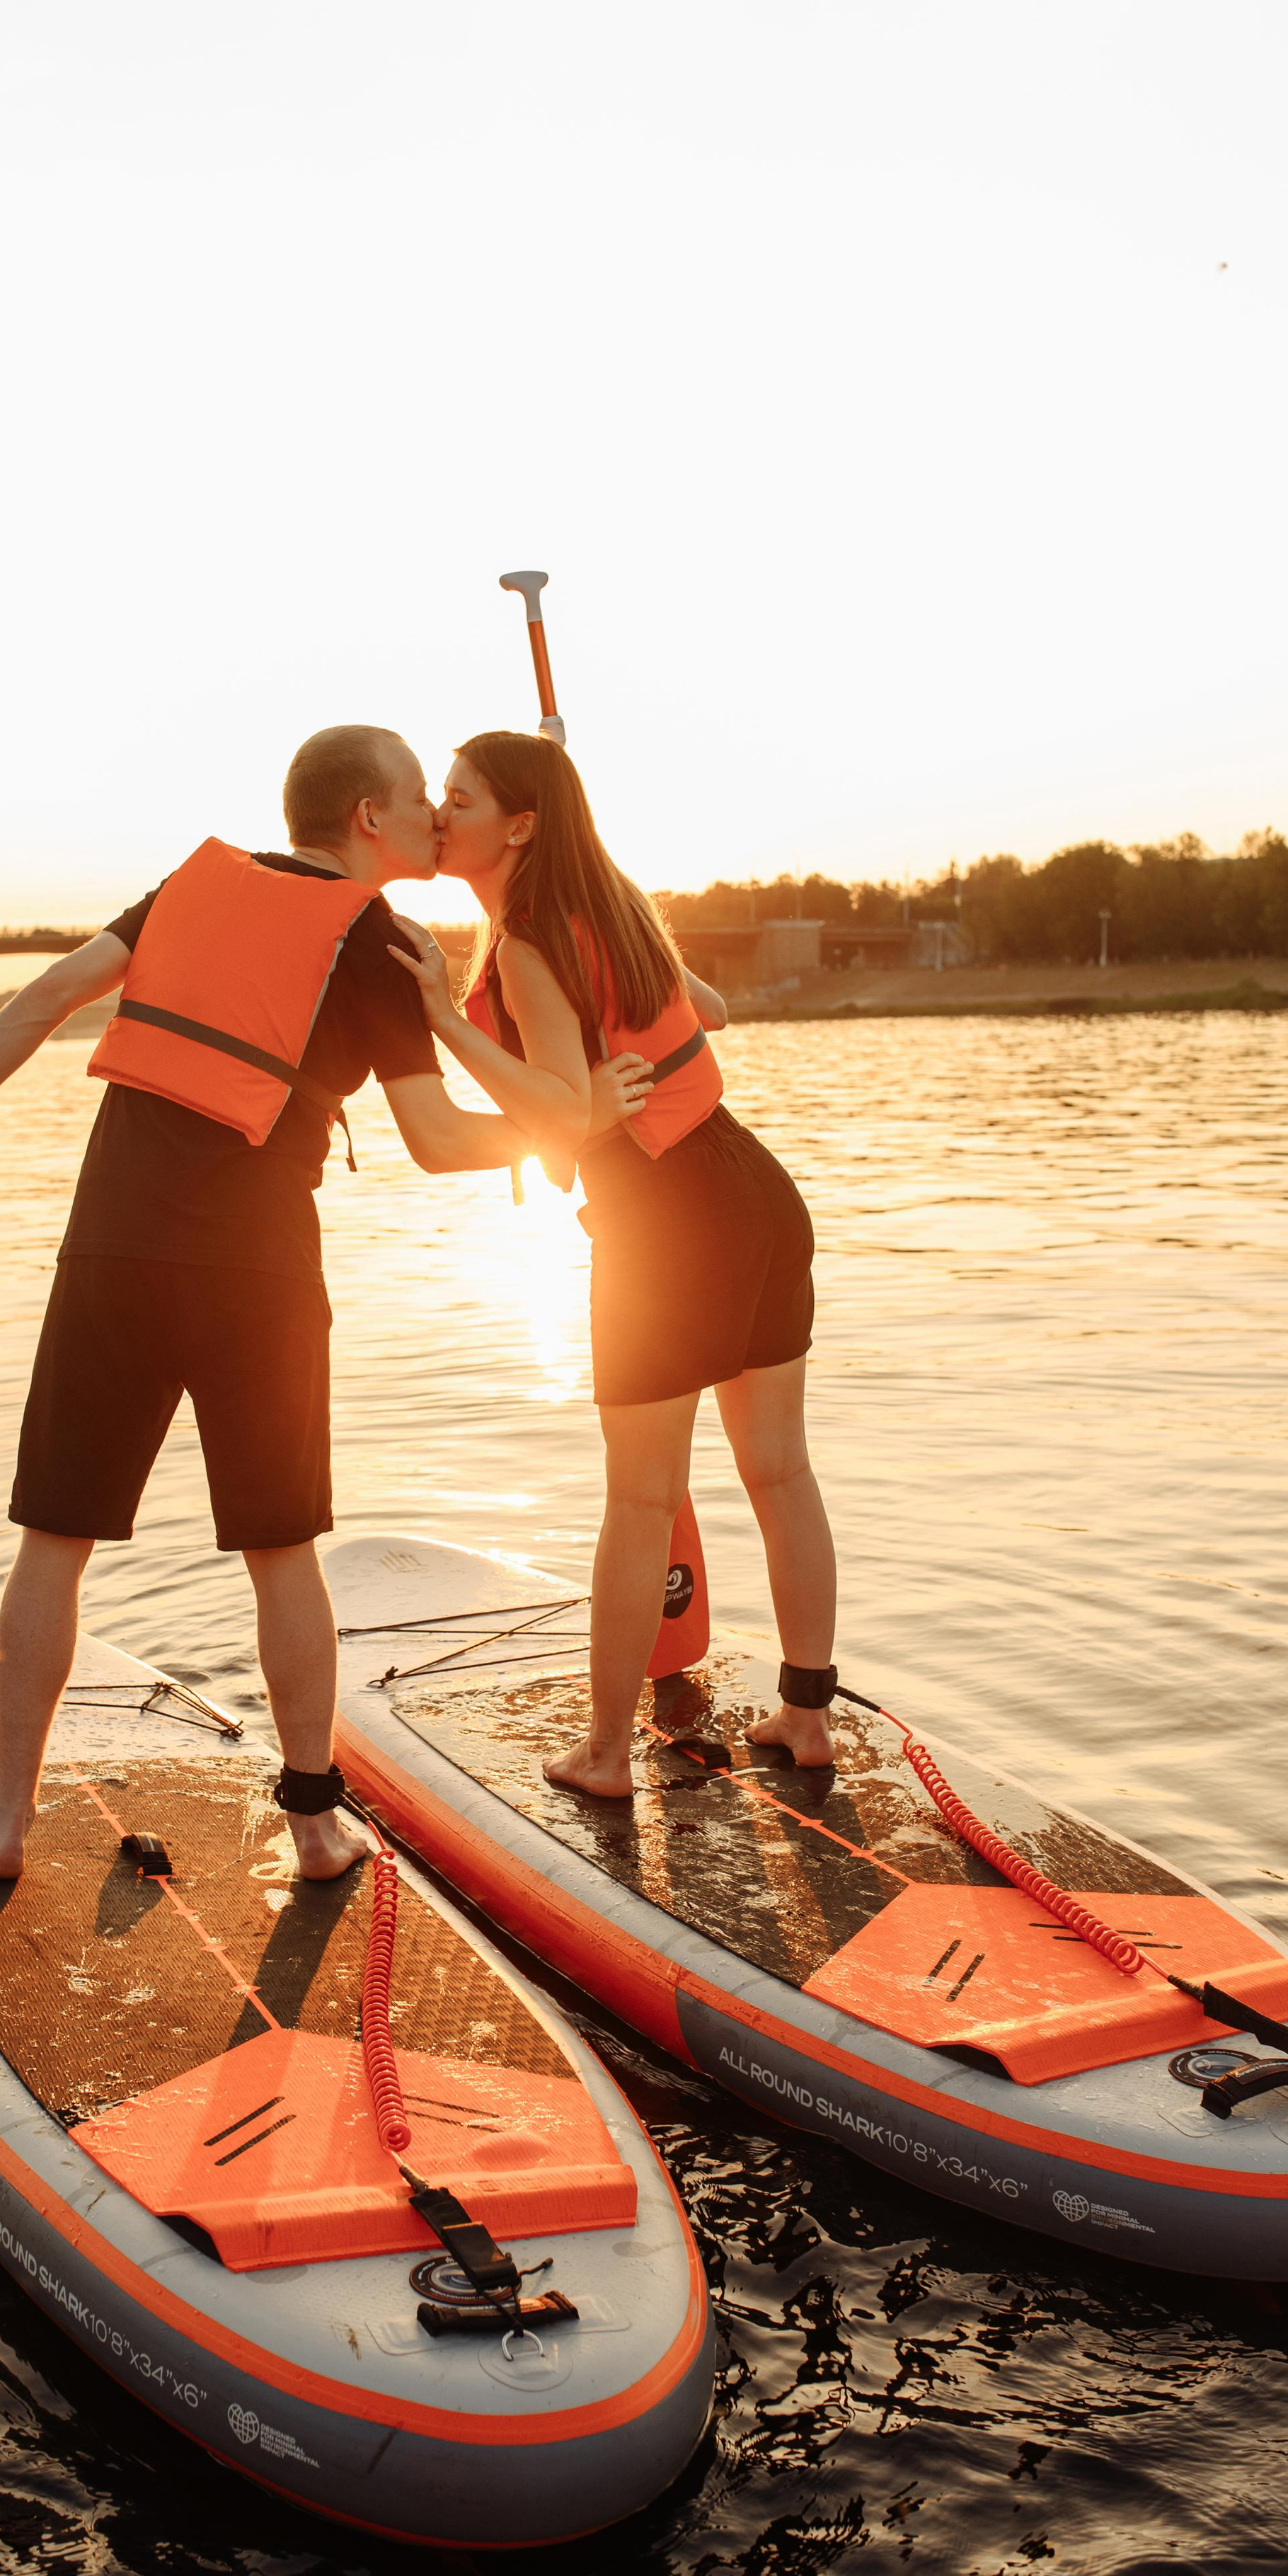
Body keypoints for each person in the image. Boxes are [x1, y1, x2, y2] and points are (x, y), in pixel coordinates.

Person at [0, 726, 539, 1883]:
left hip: (117, 1248)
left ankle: (5, 1826)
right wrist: (562, 1129)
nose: (434, 819)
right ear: (368, 818)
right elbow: (439, 1142)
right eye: (416, 799)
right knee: (283, 1554)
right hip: (259, 1274)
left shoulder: (188, 889)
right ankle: (315, 1829)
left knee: (54, 1543)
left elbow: (49, 996)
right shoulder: (384, 943)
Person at [389, 730, 839, 1793]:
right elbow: (708, 1012)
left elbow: (558, 1110)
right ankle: (806, 1714)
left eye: (460, 797)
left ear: (521, 826)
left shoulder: (528, 945)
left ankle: (601, 1754)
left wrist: (445, 1017)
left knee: (640, 1501)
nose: (441, 812)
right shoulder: (617, 904)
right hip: (757, 1190)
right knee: (781, 1471)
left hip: (667, 1219)